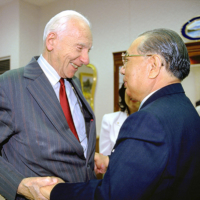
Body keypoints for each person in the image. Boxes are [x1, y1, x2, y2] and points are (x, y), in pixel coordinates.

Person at [40, 28, 200, 200]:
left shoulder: (148, 120)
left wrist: (54, 191)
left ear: (153, 65)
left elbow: (110, 195)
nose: (123, 70)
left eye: (127, 59)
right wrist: (112, 162)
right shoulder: (186, 109)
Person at [0, 10, 97, 200]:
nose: (86, 59)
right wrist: (19, 185)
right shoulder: (10, 85)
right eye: (79, 48)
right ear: (51, 41)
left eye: (88, 50)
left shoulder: (73, 83)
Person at [99, 83, 140, 155]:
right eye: (128, 89)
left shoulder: (154, 120)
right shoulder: (109, 120)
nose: (132, 94)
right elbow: (104, 157)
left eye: (138, 90)